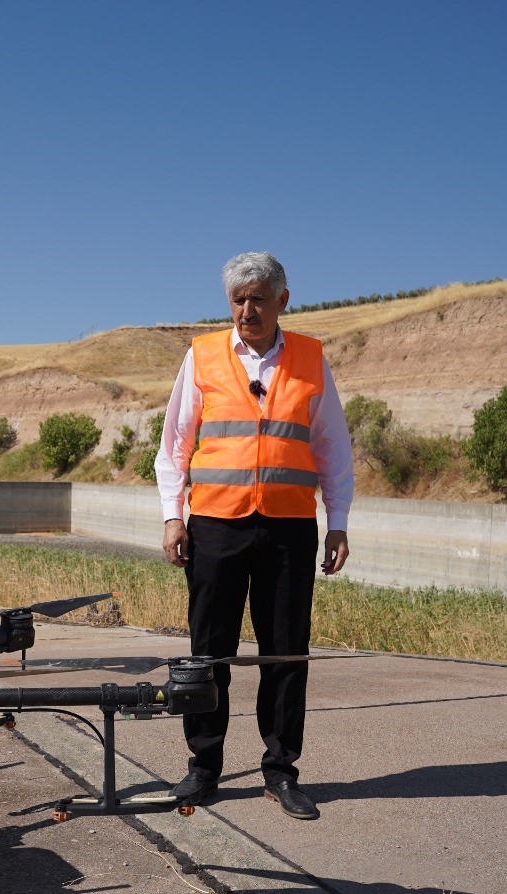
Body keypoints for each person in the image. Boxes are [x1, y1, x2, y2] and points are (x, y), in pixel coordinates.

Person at [153, 251, 353, 820]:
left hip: (289, 528)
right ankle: (203, 767)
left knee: (286, 652)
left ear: (282, 301)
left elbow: (332, 447)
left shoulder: (311, 359)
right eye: (238, 300)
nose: (247, 309)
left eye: (258, 298)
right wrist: (174, 515)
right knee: (208, 650)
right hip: (215, 524)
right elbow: (174, 444)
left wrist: (337, 521)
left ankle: (281, 771)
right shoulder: (202, 356)